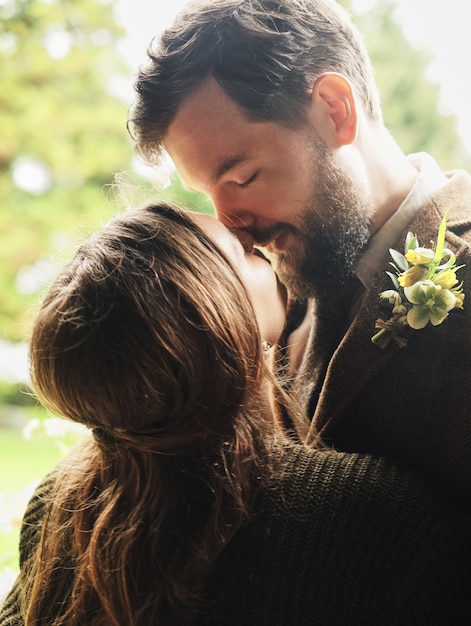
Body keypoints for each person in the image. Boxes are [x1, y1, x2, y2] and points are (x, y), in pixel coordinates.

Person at [2, 202, 471, 625]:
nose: (254, 238)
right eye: (239, 251)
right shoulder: (379, 525)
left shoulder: (61, 507)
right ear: (215, 317)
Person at [128, 0, 471, 506]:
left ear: (335, 110)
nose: (231, 226)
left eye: (243, 177)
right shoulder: (268, 293)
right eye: (207, 194)